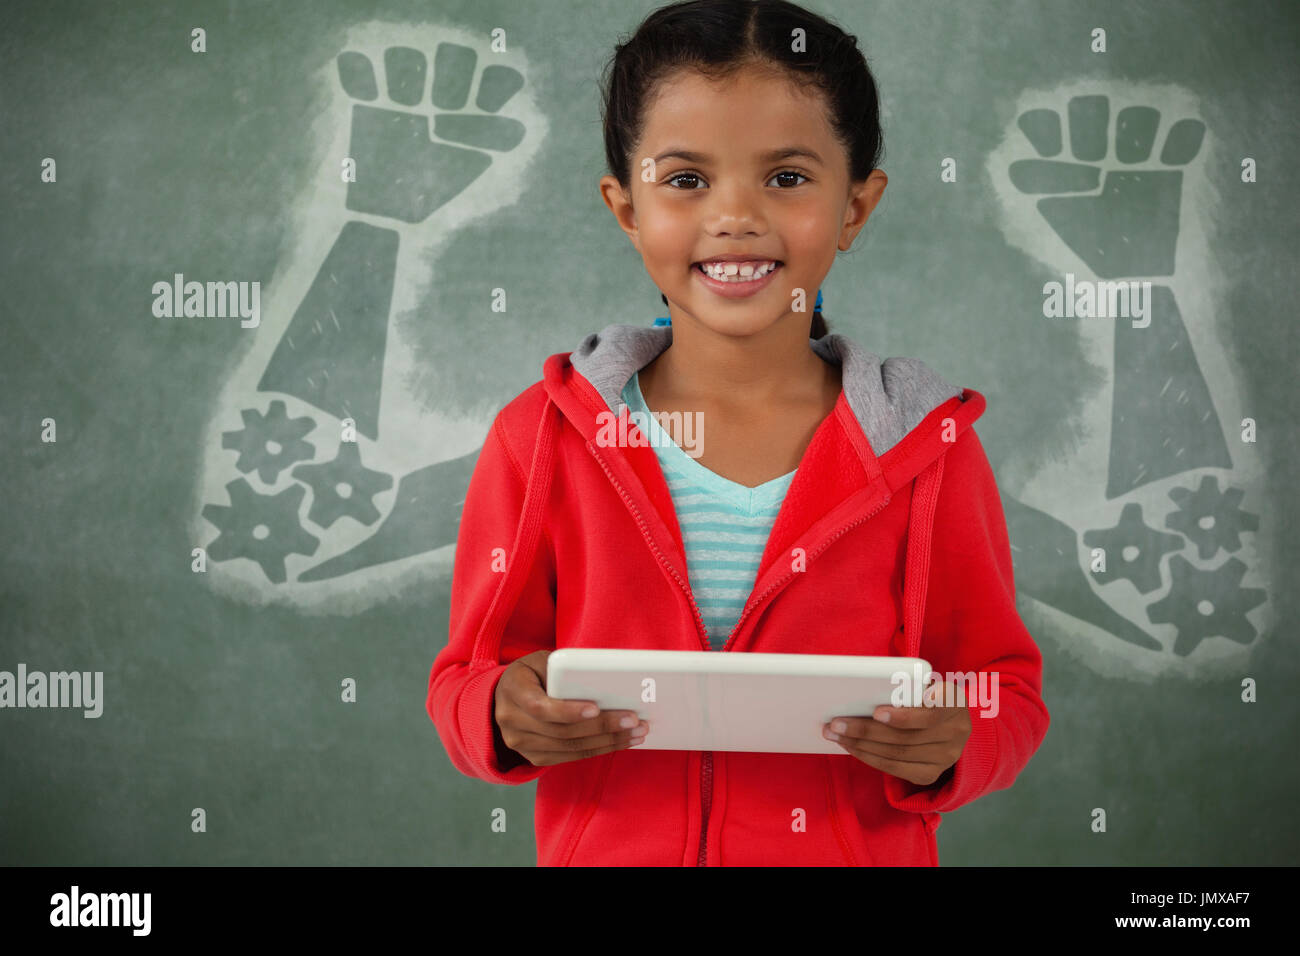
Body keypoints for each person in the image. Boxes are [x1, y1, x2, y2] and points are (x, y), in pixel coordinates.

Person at [427, 0, 1049, 866]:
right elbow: (468, 677)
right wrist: (502, 712)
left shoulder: (925, 447)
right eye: (685, 180)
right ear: (625, 208)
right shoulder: (539, 441)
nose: (735, 216)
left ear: (856, 207)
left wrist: (961, 739)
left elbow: (1004, 689)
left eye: (787, 178)